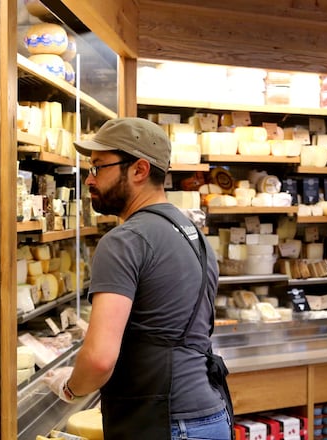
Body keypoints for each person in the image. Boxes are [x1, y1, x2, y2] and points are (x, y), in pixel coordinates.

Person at [43, 118, 230, 439]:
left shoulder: (125, 240)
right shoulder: (193, 234)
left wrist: (70, 387)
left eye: (98, 167)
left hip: (164, 422)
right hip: (210, 416)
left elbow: (100, 358)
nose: (89, 179)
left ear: (139, 170)